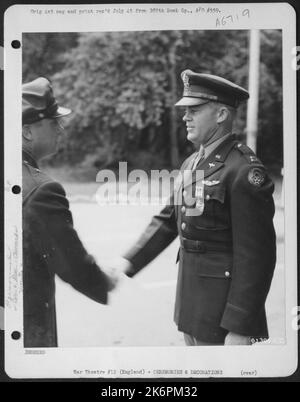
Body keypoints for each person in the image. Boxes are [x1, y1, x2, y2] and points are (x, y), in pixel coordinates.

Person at [110, 70, 277, 346]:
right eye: (185, 110)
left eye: (194, 110)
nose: (185, 117)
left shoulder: (244, 171)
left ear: (221, 115)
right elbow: (168, 220)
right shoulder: (192, 164)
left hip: (224, 317)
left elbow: (257, 257)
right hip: (191, 307)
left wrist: (240, 327)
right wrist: (128, 261)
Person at [22, 77, 115, 347]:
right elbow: (70, 262)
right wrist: (102, 280)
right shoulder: (41, 190)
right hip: (25, 331)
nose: (61, 129)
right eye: (54, 122)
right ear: (27, 131)